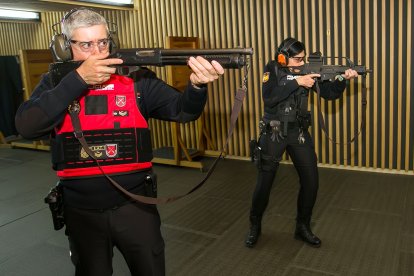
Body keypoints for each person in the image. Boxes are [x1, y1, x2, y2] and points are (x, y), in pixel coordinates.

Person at [15, 8, 224, 276]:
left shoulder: (135, 77)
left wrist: (196, 86)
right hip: (81, 212)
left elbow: (183, 111)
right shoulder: (55, 84)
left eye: (103, 42)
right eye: (86, 45)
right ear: (66, 49)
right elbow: (26, 126)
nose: (98, 52)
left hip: (136, 207)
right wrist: (77, 81)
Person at [245, 37, 358, 248]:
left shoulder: (307, 70)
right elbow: (268, 97)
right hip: (274, 132)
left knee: (311, 181)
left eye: (303, 59)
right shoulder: (272, 69)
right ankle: (255, 226)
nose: (301, 63)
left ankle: (302, 227)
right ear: (283, 57)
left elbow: (329, 94)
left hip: (298, 132)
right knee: (264, 183)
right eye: (297, 59)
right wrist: (297, 81)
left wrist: (342, 80)